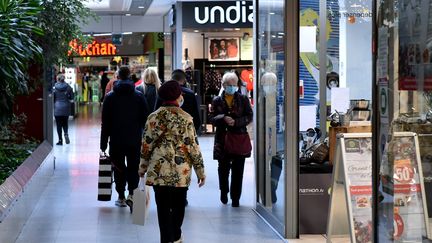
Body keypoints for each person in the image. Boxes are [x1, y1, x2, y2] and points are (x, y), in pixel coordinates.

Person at [139, 80, 205, 243]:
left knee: (162, 208)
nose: (182, 96)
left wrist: (142, 167)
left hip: (158, 171)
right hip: (180, 172)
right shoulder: (186, 119)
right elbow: (193, 147)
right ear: (177, 96)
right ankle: (175, 235)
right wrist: (200, 171)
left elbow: (146, 145)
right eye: (180, 94)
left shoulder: (153, 117)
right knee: (178, 206)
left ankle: (166, 239)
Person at [100, 66, 150, 211]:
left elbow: (106, 123)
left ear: (117, 76)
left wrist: (103, 144)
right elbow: (145, 119)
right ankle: (133, 195)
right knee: (134, 167)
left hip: (116, 140)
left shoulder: (110, 97)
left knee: (119, 168)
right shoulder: (139, 96)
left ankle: (121, 196)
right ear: (130, 76)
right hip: (135, 139)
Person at [209, 72, 253, 207]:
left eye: (234, 85)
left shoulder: (243, 99)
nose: (232, 87)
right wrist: (222, 118)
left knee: (238, 170)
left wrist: (236, 122)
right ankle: (224, 191)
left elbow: (249, 116)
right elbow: (211, 118)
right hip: (222, 140)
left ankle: (235, 198)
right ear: (223, 85)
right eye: (229, 85)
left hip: (239, 139)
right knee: (223, 169)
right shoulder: (216, 100)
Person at [155, 69, 201, 133]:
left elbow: (156, 112)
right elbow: (196, 119)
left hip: (164, 132)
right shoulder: (190, 94)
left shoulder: (163, 92)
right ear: (184, 80)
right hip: (186, 132)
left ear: (171, 79)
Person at [53, 73, 74, 146]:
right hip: (66, 107)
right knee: (65, 123)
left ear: (57, 79)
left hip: (57, 108)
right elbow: (72, 99)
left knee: (58, 125)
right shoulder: (69, 87)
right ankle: (66, 134)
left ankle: (60, 140)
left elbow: (53, 99)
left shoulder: (54, 87)